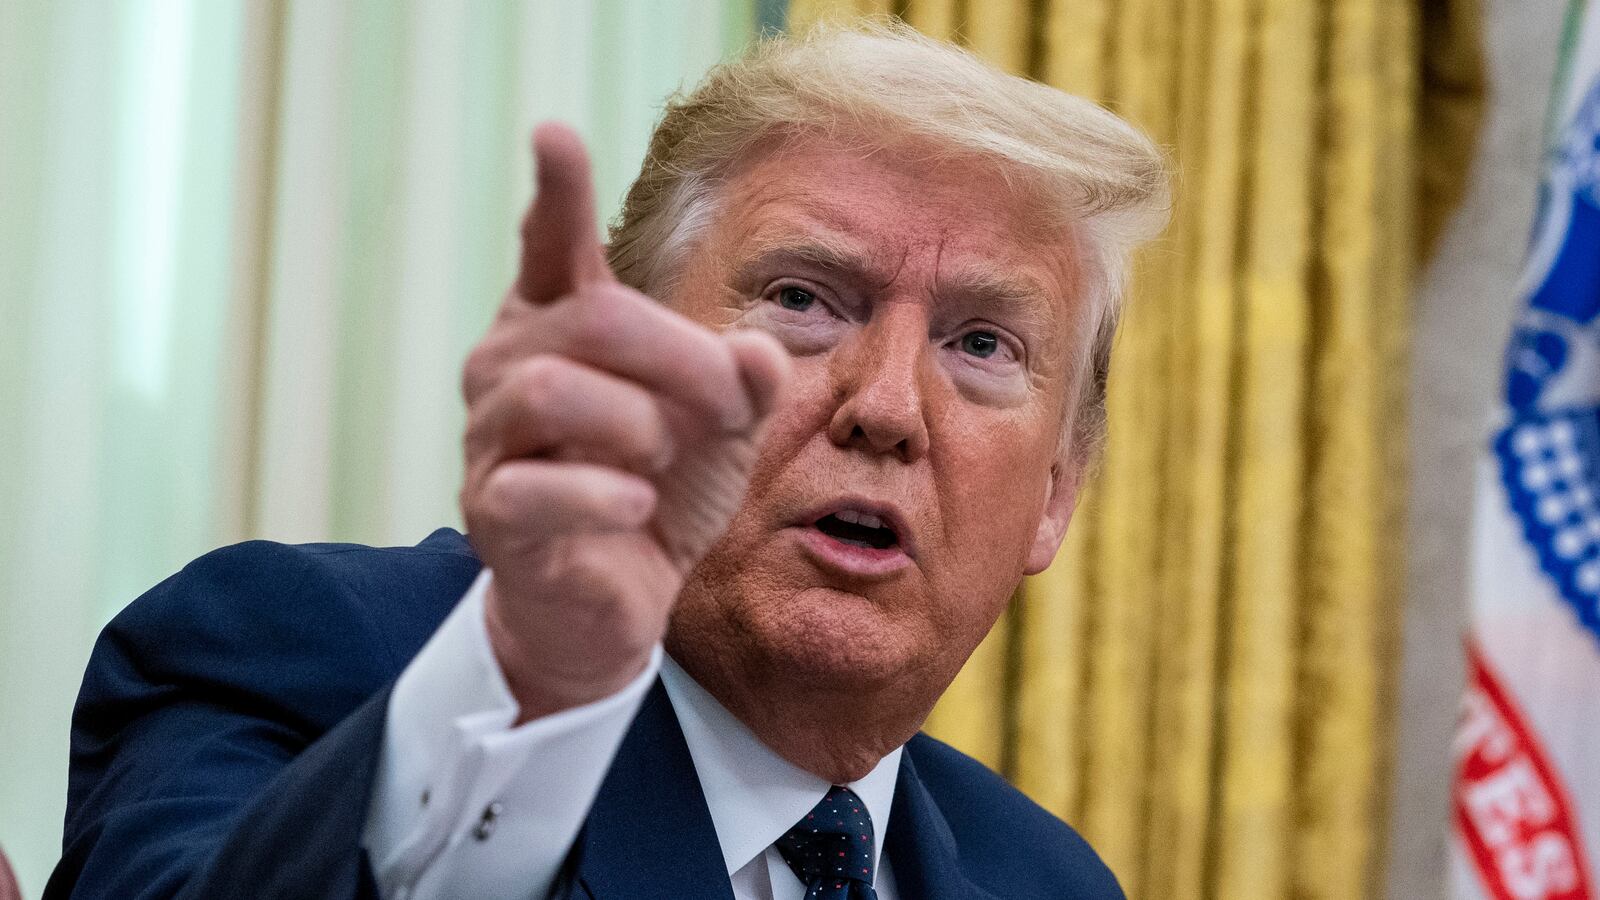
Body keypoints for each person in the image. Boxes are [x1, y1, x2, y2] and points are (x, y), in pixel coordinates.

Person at [46, 23, 1167, 900]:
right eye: (802, 300)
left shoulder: (1046, 877)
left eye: (981, 345)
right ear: (625, 358)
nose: (883, 407)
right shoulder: (276, 660)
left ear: (1057, 495)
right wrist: (537, 685)